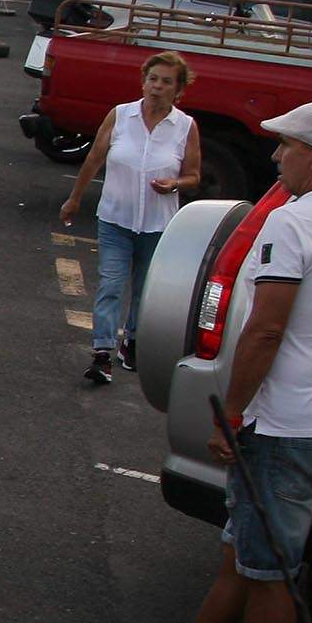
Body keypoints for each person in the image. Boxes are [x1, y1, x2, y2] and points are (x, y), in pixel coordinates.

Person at [106, 101, 312, 623]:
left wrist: (230, 414)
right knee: (246, 552)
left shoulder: (292, 222)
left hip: (286, 431)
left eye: (288, 146)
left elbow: (265, 330)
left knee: (269, 575)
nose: (276, 156)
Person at [59, 52, 199, 383]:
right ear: (143, 82)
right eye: (153, 79)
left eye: (166, 82)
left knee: (144, 290)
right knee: (111, 284)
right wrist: (75, 198)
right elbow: (95, 158)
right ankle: (102, 353)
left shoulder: (185, 126)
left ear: (178, 90)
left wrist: (175, 183)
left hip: (158, 224)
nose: (157, 87)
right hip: (115, 220)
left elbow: (193, 175)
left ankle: (132, 340)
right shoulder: (120, 115)